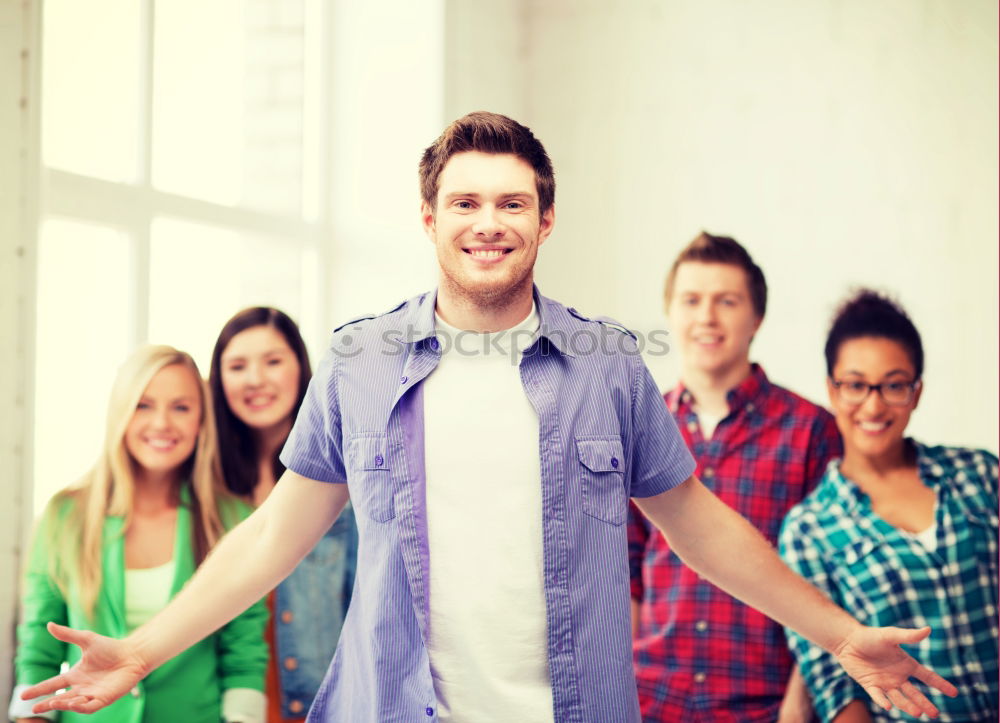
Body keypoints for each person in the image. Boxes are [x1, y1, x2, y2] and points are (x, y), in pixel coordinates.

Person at [21, 113, 958, 723]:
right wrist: (142, 650)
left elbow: (701, 525)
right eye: (464, 201)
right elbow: (273, 537)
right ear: (428, 216)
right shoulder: (361, 359)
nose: (488, 222)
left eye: (513, 202)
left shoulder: (605, 363)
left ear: (547, 220)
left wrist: (840, 633)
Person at [627, 231, 842, 722]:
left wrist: (796, 712)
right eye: (692, 300)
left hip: (763, 708)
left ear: (756, 318)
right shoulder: (641, 425)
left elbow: (826, 585)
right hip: (654, 704)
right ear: (671, 313)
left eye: (727, 301)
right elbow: (627, 578)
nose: (707, 317)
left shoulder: (811, 431)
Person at [8, 345, 267, 723]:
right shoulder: (65, 515)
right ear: (120, 413)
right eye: (144, 405)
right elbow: (38, 650)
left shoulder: (232, 518)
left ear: (201, 420)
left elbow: (244, 653)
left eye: (181, 407)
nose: (162, 422)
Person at [779, 290, 998, 722]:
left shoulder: (980, 474)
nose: (874, 405)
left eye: (894, 385)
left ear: (916, 392)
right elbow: (834, 686)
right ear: (832, 390)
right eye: (856, 385)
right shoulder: (809, 530)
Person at [209, 307, 358, 721]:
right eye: (238, 366)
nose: (256, 379)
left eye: (273, 361)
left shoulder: (341, 482)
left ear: (301, 367)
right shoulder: (207, 486)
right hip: (228, 705)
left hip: (318, 704)